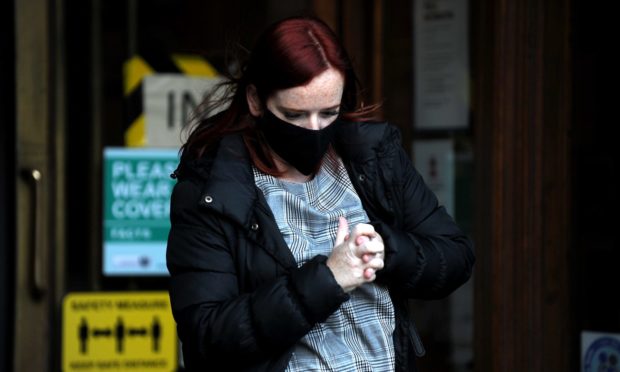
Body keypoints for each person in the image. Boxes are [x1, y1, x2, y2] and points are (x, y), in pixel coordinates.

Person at [166, 15, 474, 372]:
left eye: (329, 112)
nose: (314, 130)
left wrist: (387, 250)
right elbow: (207, 336)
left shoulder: (373, 158)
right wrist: (328, 279)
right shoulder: (215, 190)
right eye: (295, 115)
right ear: (255, 100)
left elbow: (455, 256)